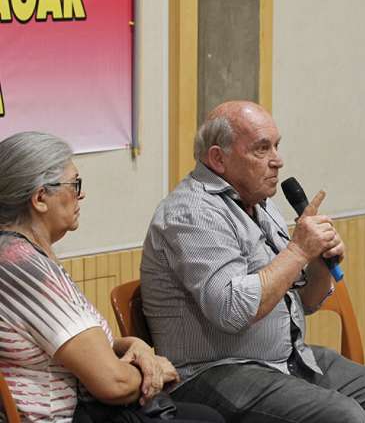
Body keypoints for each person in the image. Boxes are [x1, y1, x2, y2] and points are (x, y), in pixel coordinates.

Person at [140, 100, 365, 423]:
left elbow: (306, 302)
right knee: (343, 417)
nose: (277, 161)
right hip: (214, 372)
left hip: (281, 358)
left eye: (277, 146)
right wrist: (298, 251)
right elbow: (232, 311)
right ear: (218, 158)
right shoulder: (191, 213)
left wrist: (319, 262)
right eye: (261, 149)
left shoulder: (261, 205)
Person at [0, 131, 223, 423]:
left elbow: (77, 346)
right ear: (40, 198)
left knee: (204, 415)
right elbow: (112, 384)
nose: (82, 194)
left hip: (83, 408)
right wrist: (152, 370)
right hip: (62, 416)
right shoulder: (22, 267)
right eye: (74, 185)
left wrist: (135, 346)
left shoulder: (18, 254)